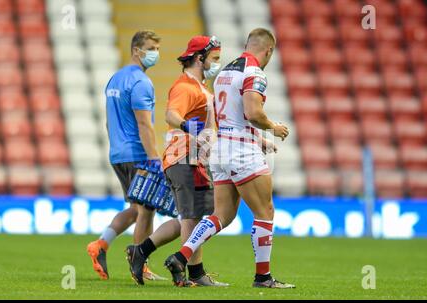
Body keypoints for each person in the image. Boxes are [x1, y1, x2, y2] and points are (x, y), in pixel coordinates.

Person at [164, 28, 295, 288]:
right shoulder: (254, 71)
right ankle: (263, 277)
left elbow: (225, 114)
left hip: (221, 149)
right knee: (265, 210)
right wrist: (273, 128)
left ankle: (181, 256)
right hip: (242, 151)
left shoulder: (224, 72)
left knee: (221, 215)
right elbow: (253, 112)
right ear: (268, 50)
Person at [125, 35, 228, 287]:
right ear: (199, 58)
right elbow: (171, 114)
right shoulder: (186, 87)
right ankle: (194, 273)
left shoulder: (201, 88)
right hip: (185, 158)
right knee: (195, 219)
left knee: (191, 219)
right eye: (214, 58)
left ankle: (141, 251)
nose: (217, 64)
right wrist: (185, 125)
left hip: (193, 159)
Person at [86, 30, 169, 281]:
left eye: (157, 48)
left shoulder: (115, 79)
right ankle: (140, 266)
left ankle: (101, 244)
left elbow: (109, 122)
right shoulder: (141, 82)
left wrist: (116, 148)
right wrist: (155, 158)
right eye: (151, 48)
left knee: (135, 209)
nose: (156, 53)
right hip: (137, 152)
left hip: (118, 153)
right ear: (136, 50)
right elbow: (144, 124)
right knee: (147, 210)